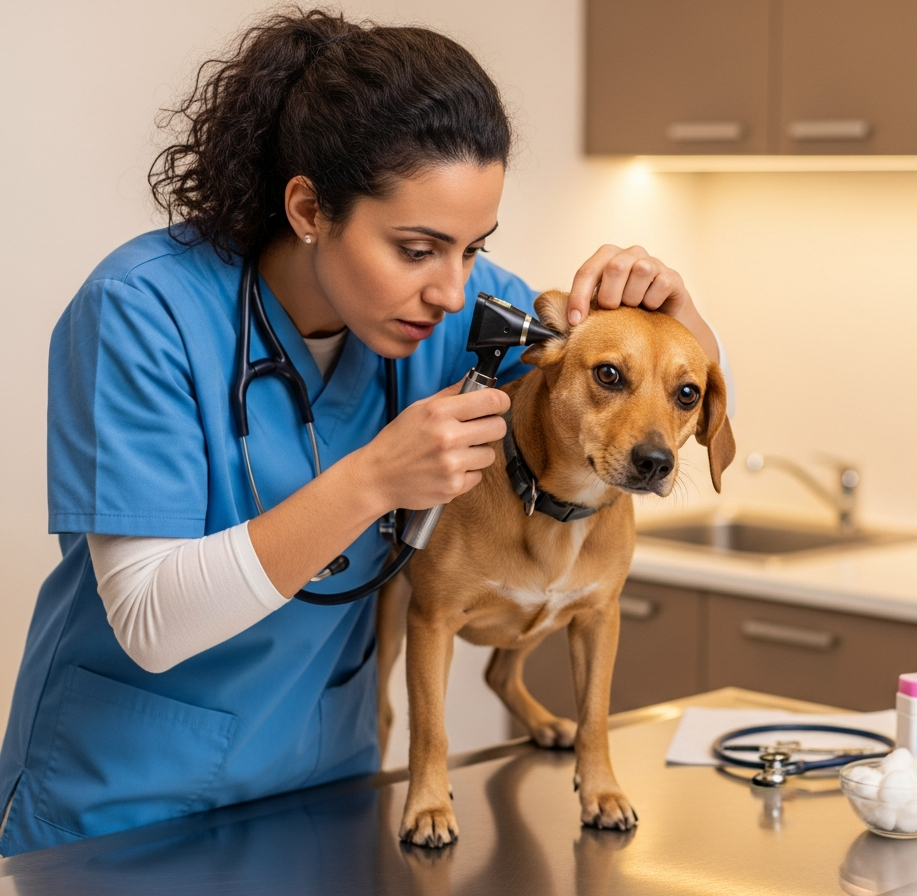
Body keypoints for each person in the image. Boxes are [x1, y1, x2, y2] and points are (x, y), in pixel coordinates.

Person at [0, 9, 730, 856]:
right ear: (310, 207)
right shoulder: (143, 313)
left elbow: (641, 390)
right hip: (125, 805)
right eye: (417, 248)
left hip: (326, 789)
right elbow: (151, 619)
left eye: (472, 248)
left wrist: (685, 317)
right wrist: (374, 480)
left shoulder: (464, 313)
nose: (454, 291)